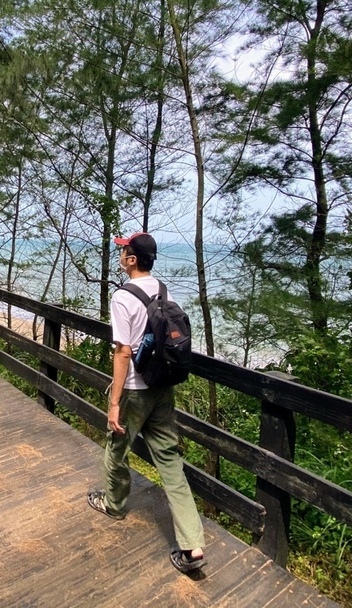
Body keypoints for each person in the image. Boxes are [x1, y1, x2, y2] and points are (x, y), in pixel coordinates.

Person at [86, 231, 206, 574]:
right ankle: (192, 545)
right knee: (169, 461)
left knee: (116, 447)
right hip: (163, 387)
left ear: (133, 259)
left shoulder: (123, 297)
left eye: (124, 251)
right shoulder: (162, 290)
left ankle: (114, 504)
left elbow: (122, 352)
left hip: (136, 390)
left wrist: (113, 402)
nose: (121, 255)